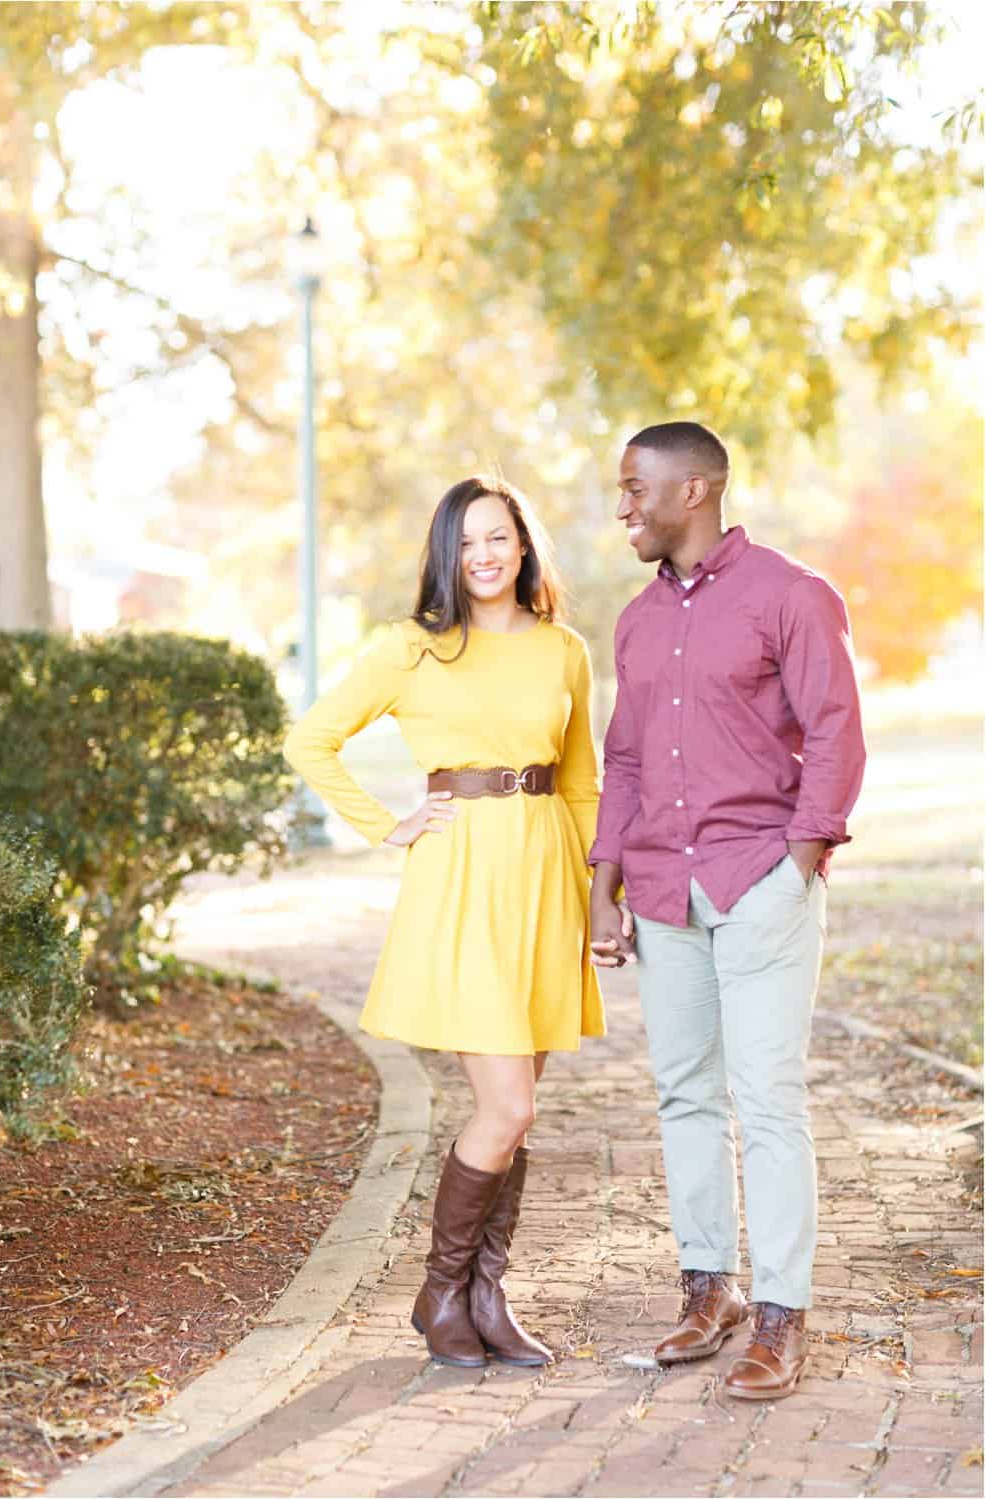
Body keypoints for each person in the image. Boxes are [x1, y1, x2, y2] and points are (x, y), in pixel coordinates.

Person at [284, 475, 605, 1370]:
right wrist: (386, 823)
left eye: (499, 537)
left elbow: (581, 782)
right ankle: (439, 1291)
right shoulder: (412, 649)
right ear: (445, 556)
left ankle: (484, 1300)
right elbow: (310, 739)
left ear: (524, 542)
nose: (485, 556)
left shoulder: (563, 649)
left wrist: (594, 896)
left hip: (545, 875)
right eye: (467, 543)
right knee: (507, 1105)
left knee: (520, 1114)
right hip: (462, 875)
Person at [588, 421, 865, 1401]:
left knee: (766, 1096)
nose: (621, 506)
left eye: (634, 489)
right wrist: (604, 887)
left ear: (693, 491)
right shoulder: (633, 619)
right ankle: (711, 1289)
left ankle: (782, 1314)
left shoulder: (790, 596)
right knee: (683, 1093)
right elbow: (622, 759)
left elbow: (835, 727)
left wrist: (802, 856)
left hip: (758, 882)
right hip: (664, 892)